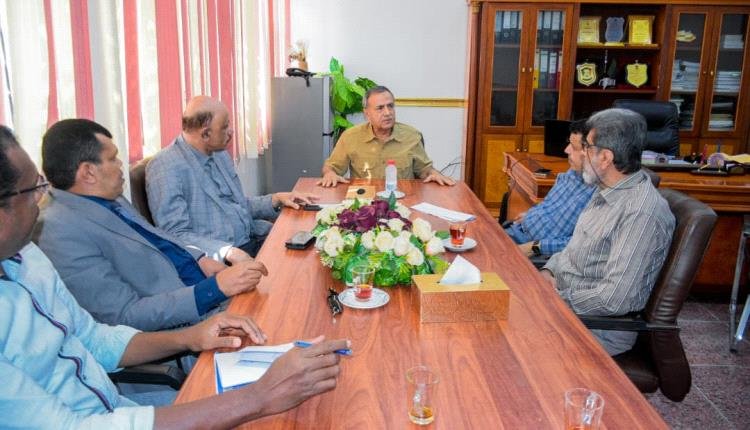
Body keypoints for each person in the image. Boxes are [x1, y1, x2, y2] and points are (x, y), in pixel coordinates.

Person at [0, 126, 349, 428]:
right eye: (33, 189)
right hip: (120, 409)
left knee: (315, 355)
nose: (41, 199)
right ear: (88, 172)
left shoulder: (29, 256)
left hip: (126, 399)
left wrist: (191, 336)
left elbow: (95, 338)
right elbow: (74, 423)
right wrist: (258, 397)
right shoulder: (58, 231)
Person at [35, 119, 268, 331]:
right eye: (113, 158)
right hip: (190, 324)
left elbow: (156, 237)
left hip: (206, 287)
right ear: (88, 173)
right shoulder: (58, 232)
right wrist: (214, 289)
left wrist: (199, 258)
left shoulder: (105, 196)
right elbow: (125, 316)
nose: (121, 164)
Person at [540, 108, 676, 356]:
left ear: (605, 158)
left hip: (594, 330)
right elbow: (573, 250)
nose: (579, 153)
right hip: (565, 309)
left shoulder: (640, 213)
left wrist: (554, 299)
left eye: (586, 147)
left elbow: (614, 299)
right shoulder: (605, 190)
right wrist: (548, 271)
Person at [146, 96, 318, 262]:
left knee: (315, 245)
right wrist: (225, 252)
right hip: (225, 259)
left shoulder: (218, 154)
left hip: (253, 238)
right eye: (225, 127)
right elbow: (175, 235)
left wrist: (275, 199)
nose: (231, 131)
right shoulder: (165, 167)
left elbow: (238, 206)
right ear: (205, 134)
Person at [318, 86, 456, 187]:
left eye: (390, 106)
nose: (388, 113)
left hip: (403, 199)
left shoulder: (411, 136)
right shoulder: (350, 137)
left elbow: (425, 170)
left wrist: (434, 174)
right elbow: (331, 168)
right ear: (366, 113)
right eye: (380, 108)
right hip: (365, 202)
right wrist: (330, 174)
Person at [505, 120, 595, 257]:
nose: (566, 150)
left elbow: (580, 244)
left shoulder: (599, 194)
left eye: (574, 147)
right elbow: (549, 205)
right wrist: (530, 216)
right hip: (517, 230)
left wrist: (535, 247)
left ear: (594, 153)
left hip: (533, 250)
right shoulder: (573, 173)